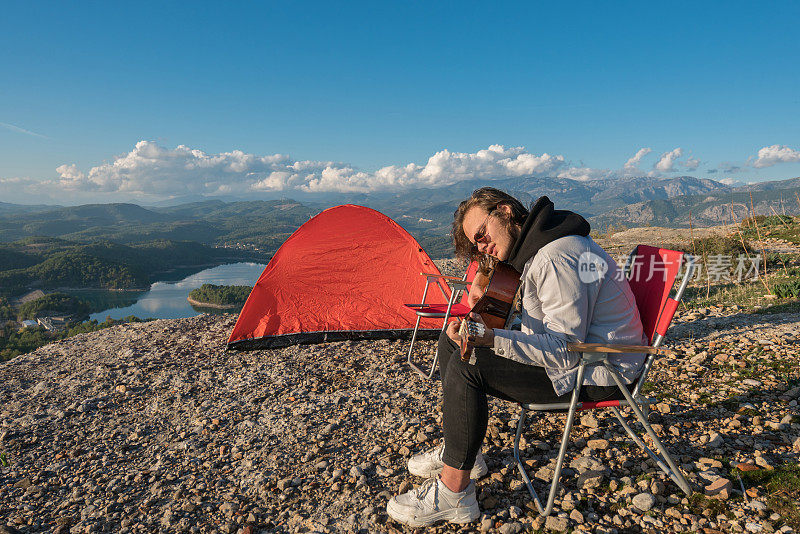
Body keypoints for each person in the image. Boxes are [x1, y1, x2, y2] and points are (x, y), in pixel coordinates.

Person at [386, 187, 648, 527]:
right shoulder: (542, 248)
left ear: (506, 211)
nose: (481, 247)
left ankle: (454, 493)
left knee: (468, 364)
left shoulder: (557, 257)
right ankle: (462, 451)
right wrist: (491, 326)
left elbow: (564, 352)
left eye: (481, 235)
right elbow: (547, 327)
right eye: (475, 244)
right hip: (582, 361)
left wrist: (492, 337)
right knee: (453, 343)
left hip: (597, 375)